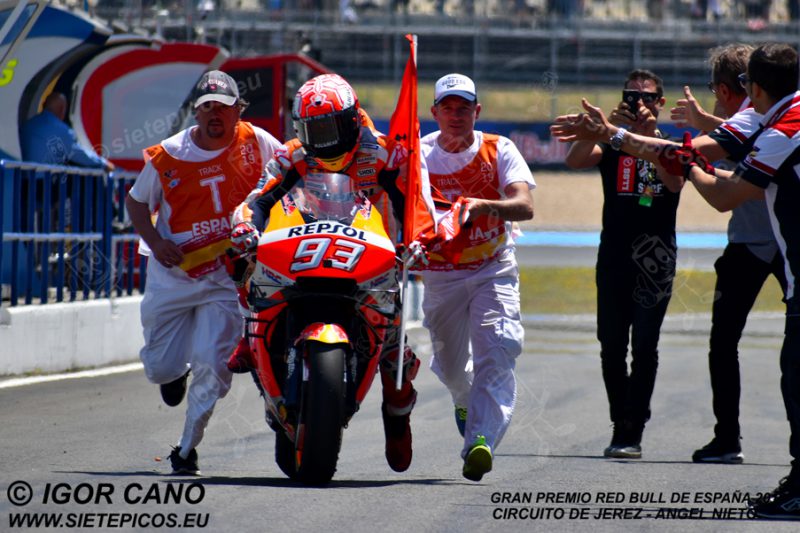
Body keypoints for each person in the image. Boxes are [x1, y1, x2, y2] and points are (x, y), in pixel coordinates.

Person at [226, 73, 425, 474]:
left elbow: (414, 203)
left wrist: (417, 239)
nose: (319, 137)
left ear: (350, 121)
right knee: (243, 258)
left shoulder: (384, 154)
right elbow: (258, 199)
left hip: (370, 261)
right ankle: (248, 337)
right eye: (310, 128)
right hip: (304, 250)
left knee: (395, 357)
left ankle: (397, 417)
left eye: (327, 127)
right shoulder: (292, 156)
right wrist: (246, 225)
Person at [124, 70, 282, 475]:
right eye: (207, 107)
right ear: (196, 113)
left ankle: (186, 447)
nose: (215, 115)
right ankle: (174, 374)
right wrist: (157, 244)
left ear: (238, 111)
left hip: (227, 280)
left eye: (223, 107)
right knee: (159, 367)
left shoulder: (258, 142)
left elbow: (292, 178)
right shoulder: (169, 155)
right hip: (174, 275)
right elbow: (137, 203)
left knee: (215, 366)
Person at [673, 43, 800, 521]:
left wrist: (689, 164)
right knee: (728, 341)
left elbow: (726, 185)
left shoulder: (777, 123)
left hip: (767, 245)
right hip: (764, 247)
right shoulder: (764, 115)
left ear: (749, 88)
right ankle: (728, 436)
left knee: (791, 370)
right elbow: (726, 137)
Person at [420, 73, 534, 481]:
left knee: (498, 348)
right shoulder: (419, 157)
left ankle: (480, 441)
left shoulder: (499, 149)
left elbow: (524, 205)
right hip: (441, 275)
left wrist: (487, 206)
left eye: (463, 108)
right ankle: (464, 402)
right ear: (434, 112)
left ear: (477, 111)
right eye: (447, 108)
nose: (455, 115)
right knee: (452, 368)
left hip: (493, 267)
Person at [562, 69, 680, 461]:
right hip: (613, 253)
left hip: (655, 258)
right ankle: (621, 419)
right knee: (611, 345)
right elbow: (575, 160)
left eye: (646, 98)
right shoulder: (611, 142)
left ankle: (632, 428)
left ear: (660, 103)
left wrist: (645, 137)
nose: (639, 104)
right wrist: (597, 130)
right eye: (631, 96)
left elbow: (675, 181)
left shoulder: (673, 144)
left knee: (644, 346)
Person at [20, 92, 114, 171]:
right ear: (62, 109)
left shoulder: (27, 125)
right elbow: (79, 154)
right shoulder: (61, 130)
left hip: (20, 181)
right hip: (44, 183)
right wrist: (104, 164)